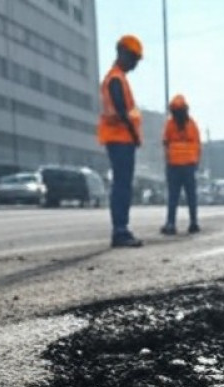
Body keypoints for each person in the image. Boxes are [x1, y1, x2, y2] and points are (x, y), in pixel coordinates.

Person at [98, 34, 144, 248]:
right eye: (133, 59)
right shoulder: (115, 79)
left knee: (122, 185)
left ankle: (121, 229)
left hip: (120, 139)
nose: (135, 64)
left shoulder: (118, 78)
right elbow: (121, 111)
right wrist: (134, 136)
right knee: (122, 186)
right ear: (123, 53)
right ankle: (120, 230)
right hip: (120, 140)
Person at [160, 94, 201, 236]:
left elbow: (165, 143)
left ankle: (171, 223)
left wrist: (167, 160)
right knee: (191, 196)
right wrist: (196, 163)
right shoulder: (192, 124)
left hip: (174, 166)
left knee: (173, 196)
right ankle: (193, 222)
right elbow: (198, 145)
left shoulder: (170, 124)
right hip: (189, 165)